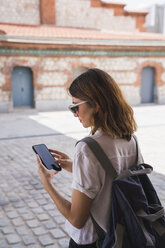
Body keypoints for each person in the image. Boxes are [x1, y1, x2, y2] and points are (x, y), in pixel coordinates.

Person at [36, 68, 144, 248]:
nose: (75, 113)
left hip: (94, 240)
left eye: (75, 106)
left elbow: (76, 219)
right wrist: (76, 166)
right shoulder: (131, 139)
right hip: (125, 234)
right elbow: (114, 177)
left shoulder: (87, 148)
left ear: (97, 103)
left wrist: (47, 183)